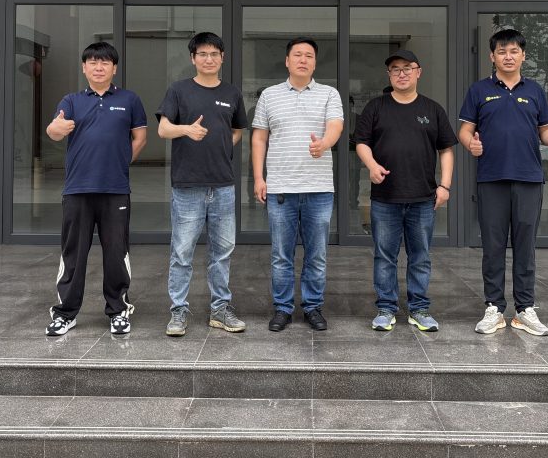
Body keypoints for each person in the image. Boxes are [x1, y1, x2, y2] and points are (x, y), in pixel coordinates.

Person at [457, 28, 548, 337]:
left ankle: (524, 309)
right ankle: (493, 307)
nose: (508, 56)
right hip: (491, 177)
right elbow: (464, 130)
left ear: (523, 55)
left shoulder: (535, 91)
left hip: (529, 177)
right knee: (492, 245)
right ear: (492, 56)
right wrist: (470, 144)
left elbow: (545, 130)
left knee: (525, 246)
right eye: (502, 51)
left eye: (514, 51)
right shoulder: (479, 90)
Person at [44, 41, 147, 337]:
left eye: (104, 62)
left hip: (116, 189)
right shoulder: (71, 100)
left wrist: (121, 162)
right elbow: (54, 129)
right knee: (73, 253)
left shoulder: (129, 99)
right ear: (84, 67)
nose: (98, 67)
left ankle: (118, 310)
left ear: (114, 68)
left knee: (116, 253)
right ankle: (65, 313)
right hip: (77, 190)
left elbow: (140, 137)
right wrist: (56, 129)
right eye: (92, 62)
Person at [355, 50, 456, 333]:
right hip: (385, 198)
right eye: (395, 69)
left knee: (420, 256)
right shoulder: (376, 107)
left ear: (418, 72)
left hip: (423, 198)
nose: (402, 73)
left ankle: (419, 309)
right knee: (384, 256)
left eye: (407, 68)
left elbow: (446, 149)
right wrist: (372, 165)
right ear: (389, 75)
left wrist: (445, 185)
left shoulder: (433, 109)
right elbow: (361, 142)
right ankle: (386, 309)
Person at [156, 32, 248, 337]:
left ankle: (220, 309)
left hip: (222, 185)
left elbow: (237, 130)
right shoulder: (179, 90)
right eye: (203, 54)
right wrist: (186, 130)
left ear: (222, 57)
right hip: (187, 185)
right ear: (193, 58)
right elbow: (163, 129)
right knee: (182, 252)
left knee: (222, 252)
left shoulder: (232, 92)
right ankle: (178, 311)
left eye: (214, 54)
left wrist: (221, 146)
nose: (209, 59)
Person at [252, 37, 344, 332]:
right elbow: (259, 138)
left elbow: (336, 126)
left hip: (319, 189)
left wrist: (324, 144)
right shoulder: (269, 95)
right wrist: (259, 178)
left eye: (309, 56)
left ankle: (313, 307)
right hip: (281, 188)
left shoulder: (329, 93)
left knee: (317, 255)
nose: (303, 60)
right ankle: (282, 308)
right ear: (287, 61)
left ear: (315, 63)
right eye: (297, 55)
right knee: (281, 255)